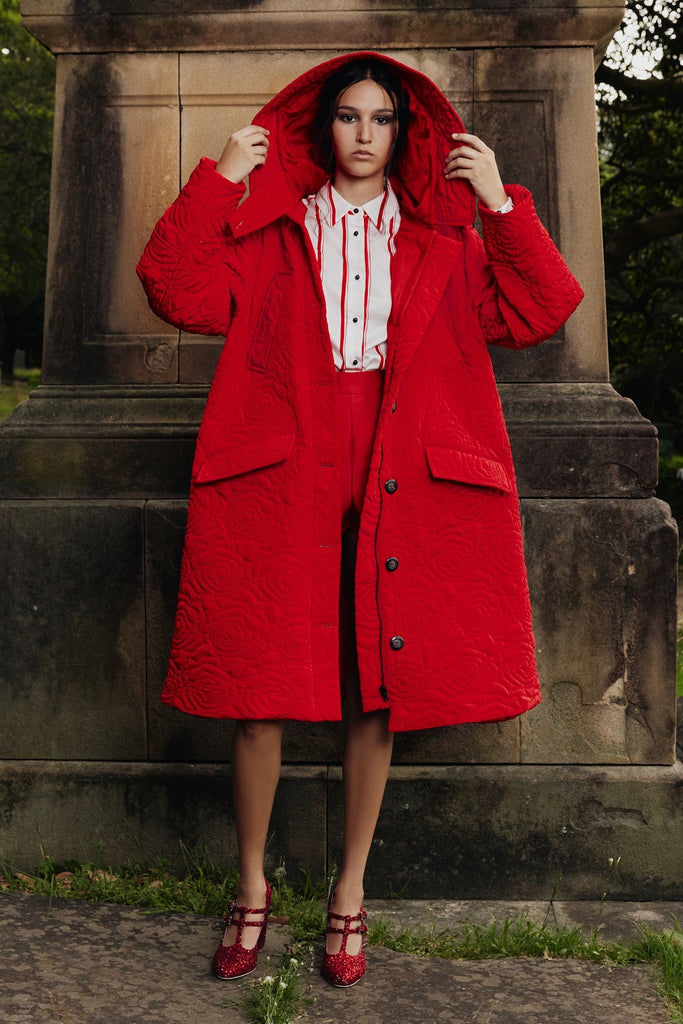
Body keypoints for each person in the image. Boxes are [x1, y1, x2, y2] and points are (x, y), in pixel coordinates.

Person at [137, 51, 583, 988]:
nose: (365, 133)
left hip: (401, 457)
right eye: (348, 116)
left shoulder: (448, 239)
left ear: (404, 133)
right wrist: (219, 179)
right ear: (322, 127)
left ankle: (348, 893)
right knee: (258, 685)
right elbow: (172, 287)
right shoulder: (268, 231)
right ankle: (251, 887)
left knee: (377, 682)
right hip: (284, 456)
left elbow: (542, 308)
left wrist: (502, 203)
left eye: (382, 118)